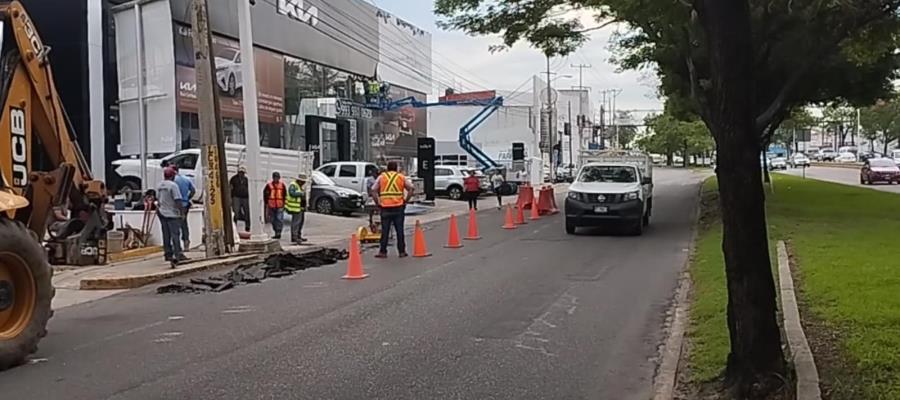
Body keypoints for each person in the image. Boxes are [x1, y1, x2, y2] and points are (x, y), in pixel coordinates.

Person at [371, 161, 415, 258]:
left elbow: (373, 190)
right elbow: (411, 188)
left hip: (385, 208)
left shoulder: (382, 177)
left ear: (387, 168)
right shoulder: (401, 177)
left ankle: (383, 252)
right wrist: (406, 200)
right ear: (396, 168)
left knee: (385, 231)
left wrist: (377, 202)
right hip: (398, 207)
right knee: (399, 230)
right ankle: (402, 252)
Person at [157, 167, 188, 265]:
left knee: (166, 235)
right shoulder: (173, 186)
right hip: (173, 214)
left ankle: (168, 254)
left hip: (162, 213)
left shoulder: (160, 185)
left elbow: (158, 200)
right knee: (175, 235)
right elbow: (178, 200)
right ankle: (178, 254)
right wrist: (182, 213)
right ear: (172, 176)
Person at [171, 165, 195, 250]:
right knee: (184, 224)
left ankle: (176, 245)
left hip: (175, 205)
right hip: (185, 204)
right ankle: (186, 241)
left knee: (174, 225)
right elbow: (193, 191)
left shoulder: (173, 181)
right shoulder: (186, 179)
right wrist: (187, 198)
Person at [285, 174, 308, 245]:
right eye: (303, 181)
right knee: (296, 223)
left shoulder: (299, 186)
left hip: (301, 207)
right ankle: (294, 237)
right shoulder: (293, 185)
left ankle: (298, 236)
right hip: (295, 207)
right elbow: (292, 193)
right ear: (300, 180)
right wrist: (301, 193)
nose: (304, 183)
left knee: (300, 222)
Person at [263, 171, 287, 239]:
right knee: (273, 220)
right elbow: (265, 195)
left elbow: (285, 195)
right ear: (273, 178)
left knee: (279, 219)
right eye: (275, 177)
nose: (276, 179)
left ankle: (278, 232)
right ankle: (276, 230)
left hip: (280, 205)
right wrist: (266, 204)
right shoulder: (269, 185)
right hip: (272, 205)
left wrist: (284, 203)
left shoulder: (282, 185)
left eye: (277, 177)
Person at [230, 166, 250, 232]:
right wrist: (230, 198)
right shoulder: (233, 179)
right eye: (240, 172)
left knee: (247, 212)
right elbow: (230, 188)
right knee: (236, 212)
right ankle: (234, 225)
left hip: (245, 198)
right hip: (236, 197)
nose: (241, 174)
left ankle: (247, 226)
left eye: (243, 172)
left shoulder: (246, 179)